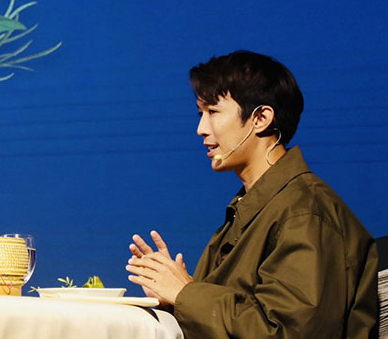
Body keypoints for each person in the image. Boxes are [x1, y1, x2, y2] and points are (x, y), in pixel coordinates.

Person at [126, 51, 378, 339]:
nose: (201, 129)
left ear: (261, 118)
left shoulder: (303, 212)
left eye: (213, 112)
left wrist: (186, 293)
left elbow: (287, 332)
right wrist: (174, 301)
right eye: (200, 114)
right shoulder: (254, 208)